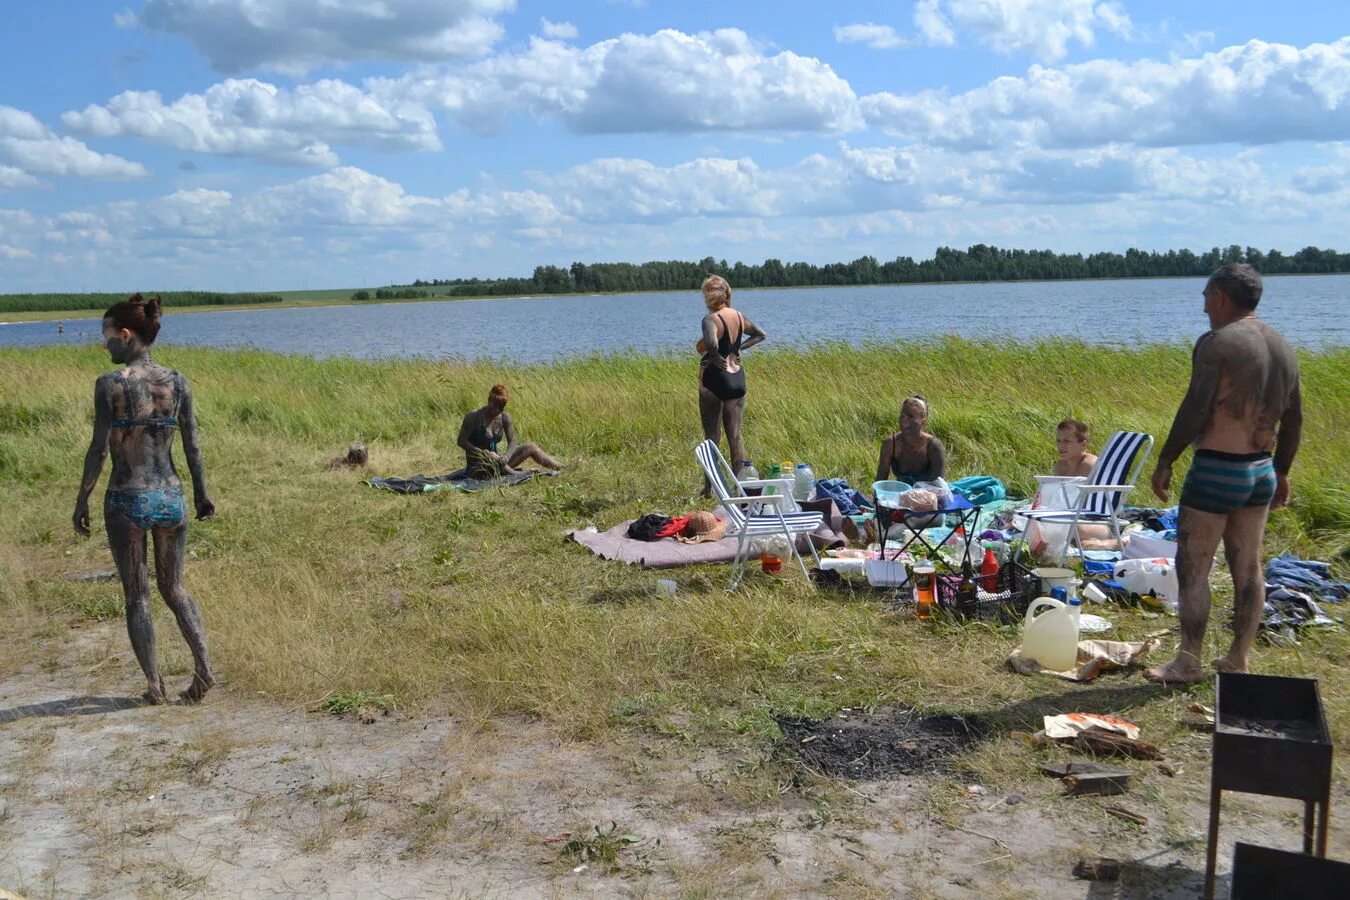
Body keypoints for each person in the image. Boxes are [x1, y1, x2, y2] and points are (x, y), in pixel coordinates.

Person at [1145, 264, 1302, 684]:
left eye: (1204, 299)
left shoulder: (1217, 343)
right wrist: (1282, 471)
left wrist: (1167, 458)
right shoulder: (1283, 346)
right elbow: (1295, 418)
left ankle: (1188, 661)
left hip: (1218, 467)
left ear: (1219, 296)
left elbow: (1197, 407)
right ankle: (1238, 658)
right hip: (1260, 469)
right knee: (1248, 565)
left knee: (1193, 564)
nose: (1203, 309)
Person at [72, 294, 216, 705]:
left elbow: (99, 449)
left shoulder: (111, 384)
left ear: (126, 334)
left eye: (107, 336)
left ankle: (155, 687)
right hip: (171, 496)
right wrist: (202, 493)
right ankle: (204, 671)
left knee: (138, 595)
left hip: (128, 499)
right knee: (176, 589)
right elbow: (192, 445)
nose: (106, 345)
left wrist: (82, 499)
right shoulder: (177, 381)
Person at [696, 275, 765, 494]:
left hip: (715, 380)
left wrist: (715, 356)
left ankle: (709, 488)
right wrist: (738, 349)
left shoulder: (710, 319)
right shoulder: (738, 315)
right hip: (737, 378)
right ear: (728, 294)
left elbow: (711, 343)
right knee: (735, 436)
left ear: (708, 296)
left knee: (712, 437)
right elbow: (760, 334)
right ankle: (742, 487)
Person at [457, 384, 562, 477]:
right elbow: (461, 441)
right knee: (493, 456)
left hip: (498, 464)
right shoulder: (473, 416)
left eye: (500, 407)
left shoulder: (504, 418)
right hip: (477, 467)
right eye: (495, 405)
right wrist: (482, 453)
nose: (497, 410)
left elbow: (512, 442)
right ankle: (517, 474)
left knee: (531, 447)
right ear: (489, 400)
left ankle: (560, 467)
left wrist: (506, 457)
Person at [875, 396, 946, 485]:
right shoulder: (890, 444)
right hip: (901, 493)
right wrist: (878, 498)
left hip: (928, 495)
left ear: (923, 422)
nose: (904, 420)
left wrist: (916, 496)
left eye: (910, 416)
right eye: (902, 415)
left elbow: (937, 484)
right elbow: (881, 480)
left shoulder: (933, 446)